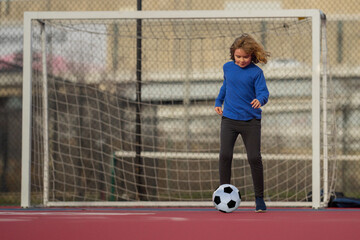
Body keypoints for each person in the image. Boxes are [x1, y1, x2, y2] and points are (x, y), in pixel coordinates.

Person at [214, 34, 270, 213]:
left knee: (254, 157)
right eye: (238, 56)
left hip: (251, 121)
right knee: (225, 155)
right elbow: (226, 86)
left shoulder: (256, 72)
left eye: (245, 57)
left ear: (252, 55)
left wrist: (259, 100)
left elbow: (264, 93)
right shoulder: (228, 68)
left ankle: (259, 199)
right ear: (233, 55)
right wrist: (218, 102)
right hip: (229, 120)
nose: (241, 60)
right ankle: (223, 194)